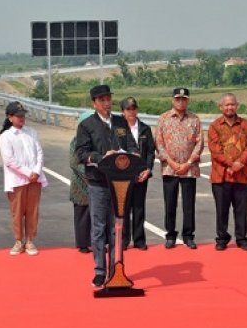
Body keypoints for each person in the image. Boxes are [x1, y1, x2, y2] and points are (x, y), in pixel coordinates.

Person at [75, 85, 138, 287]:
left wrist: (133, 156)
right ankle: (100, 270)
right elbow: (82, 154)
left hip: (120, 184)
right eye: (101, 100)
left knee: (116, 228)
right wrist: (102, 158)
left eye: (108, 99)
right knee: (99, 228)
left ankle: (116, 269)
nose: (106, 103)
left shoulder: (120, 122)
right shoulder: (87, 125)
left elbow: (132, 146)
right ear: (94, 103)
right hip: (99, 183)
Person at [155, 87, 204, 249]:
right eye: (178, 99)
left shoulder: (194, 119)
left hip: (189, 169)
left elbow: (199, 144)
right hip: (170, 168)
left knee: (189, 205)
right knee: (170, 203)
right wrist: (172, 163)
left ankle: (188, 235)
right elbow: (159, 143)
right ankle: (170, 235)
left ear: (188, 100)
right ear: (172, 100)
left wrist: (188, 163)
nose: (181, 102)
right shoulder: (163, 119)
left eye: (184, 99)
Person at [208, 93, 247, 251]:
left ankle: (241, 238)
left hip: (243, 174)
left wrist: (240, 163)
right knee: (222, 209)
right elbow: (215, 150)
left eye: (232, 104)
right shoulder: (215, 126)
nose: (229, 107)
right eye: (226, 105)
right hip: (221, 175)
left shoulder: (246, 125)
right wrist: (230, 164)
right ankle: (222, 238)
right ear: (221, 107)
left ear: (237, 105)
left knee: (241, 209)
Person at [0, 101, 48, 255]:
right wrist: (28, 173)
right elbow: (9, 160)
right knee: (17, 212)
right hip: (17, 180)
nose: (21, 118)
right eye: (18, 115)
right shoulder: (6, 136)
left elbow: (39, 153)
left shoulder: (32, 132)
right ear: (10, 117)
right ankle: (18, 240)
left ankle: (30, 240)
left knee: (33, 210)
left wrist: (37, 171)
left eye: (23, 115)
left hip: (35, 179)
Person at [120, 97, 155, 251]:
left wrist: (148, 169)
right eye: (128, 109)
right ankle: (125, 240)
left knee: (139, 207)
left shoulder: (145, 129)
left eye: (134, 108)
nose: (131, 111)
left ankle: (139, 240)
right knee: (125, 209)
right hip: (124, 176)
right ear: (123, 112)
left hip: (142, 174)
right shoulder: (117, 129)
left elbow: (150, 152)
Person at [69, 110, 94, 254]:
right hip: (80, 184)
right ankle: (83, 243)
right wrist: (90, 175)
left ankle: (97, 242)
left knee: (96, 214)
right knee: (82, 215)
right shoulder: (76, 141)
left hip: (96, 182)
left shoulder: (95, 139)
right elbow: (74, 163)